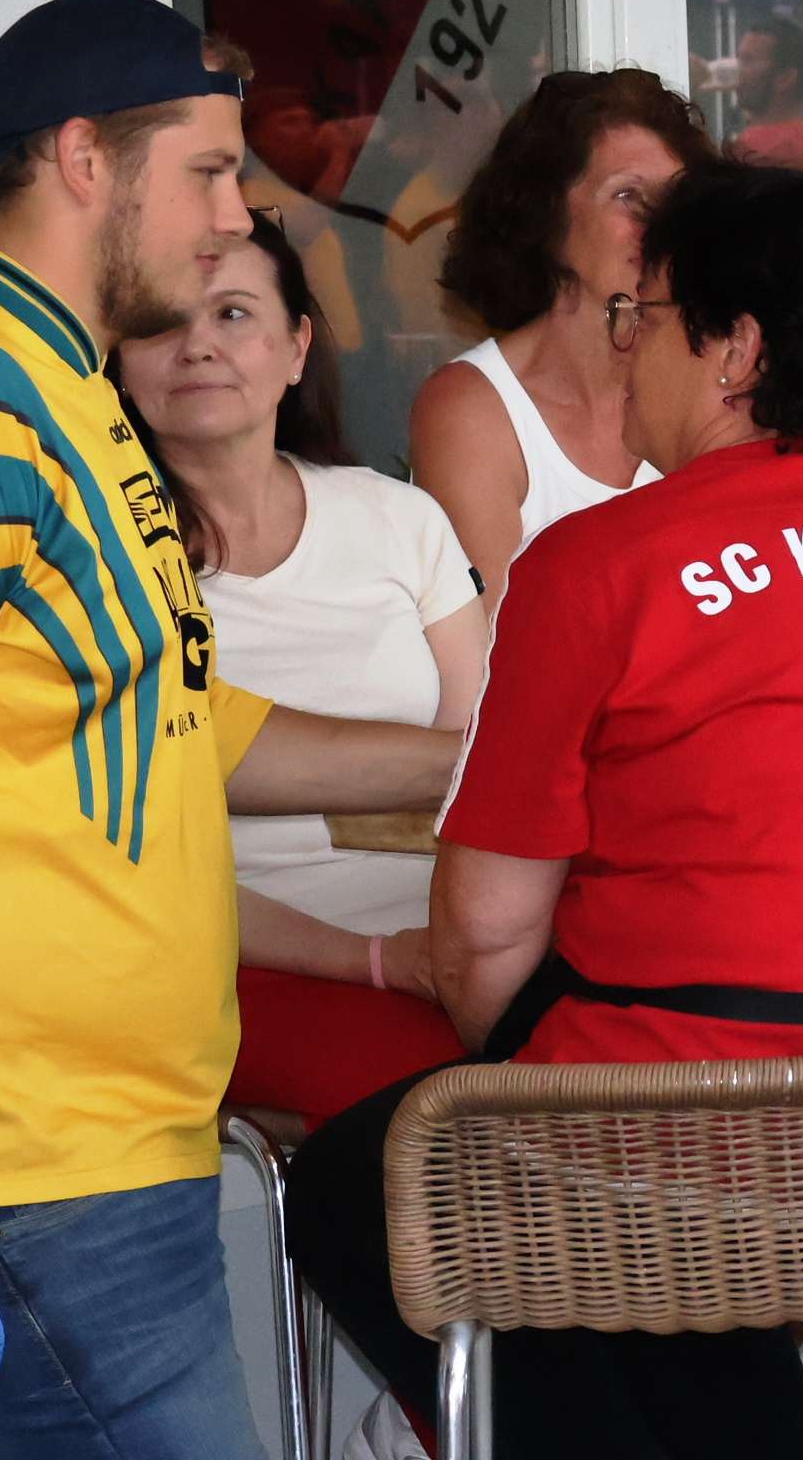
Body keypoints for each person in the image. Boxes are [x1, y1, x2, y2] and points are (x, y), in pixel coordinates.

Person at [291, 163, 803, 1457]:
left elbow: (483, 937)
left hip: (692, 1146)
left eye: (643, 315)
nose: (623, 349)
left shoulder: (597, 563)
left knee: (368, 1182)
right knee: (648, 1257)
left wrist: (528, 1053)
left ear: (736, 351)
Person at [0, 0, 462, 1460]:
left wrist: (484, 764)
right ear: (84, 158)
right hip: (16, 1162)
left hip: (88, 1151)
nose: (235, 213)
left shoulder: (58, 383)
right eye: (207, 170)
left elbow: (170, 718)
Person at [114, 221, 484, 1124]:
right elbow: (136, 855)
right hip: (241, 960)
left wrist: (464, 947)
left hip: (459, 936)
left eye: (234, 314)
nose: (198, 345)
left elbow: (487, 768)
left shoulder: (400, 520)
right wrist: (380, 961)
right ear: (116, 362)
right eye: (162, 323)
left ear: (296, 348)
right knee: (445, 1113)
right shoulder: (103, 560)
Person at [408, 67, 717, 589]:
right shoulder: (472, 407)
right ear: (546, 212)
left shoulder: (709, 380)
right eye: (628, 196)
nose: (661, 225)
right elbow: (491, 634)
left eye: (676, 201)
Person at [725, 13, 803, 175]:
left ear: (785, 78)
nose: (737, 71)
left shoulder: (760, 147)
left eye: (748, 61)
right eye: (739, 60)